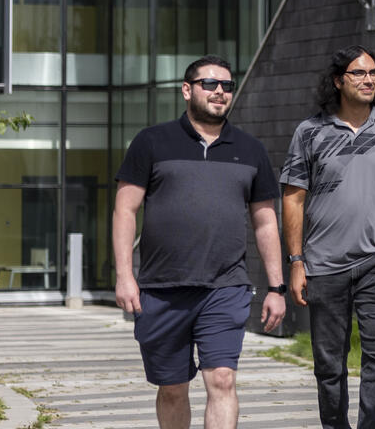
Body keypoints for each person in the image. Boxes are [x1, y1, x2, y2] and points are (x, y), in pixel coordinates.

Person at [112, 55, 285, 429]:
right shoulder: (151, 142)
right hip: (162, 290)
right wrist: (125, 276)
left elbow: (265, 221)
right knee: (173, 387)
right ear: (187, 90)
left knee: (222, 379)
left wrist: (276, 287)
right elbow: (125, 210)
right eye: (210, 84)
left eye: (227, 85)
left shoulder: (251, 149)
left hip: (225, 287)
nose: (220, 91)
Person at [281, 46, 375, 429]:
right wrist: (296, 262)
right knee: (328, 365)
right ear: (339, 80)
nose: (368, 79)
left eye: (373, 72)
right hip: (323, 265)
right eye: (359, 73)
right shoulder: (309, 132)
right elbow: (292, 199)